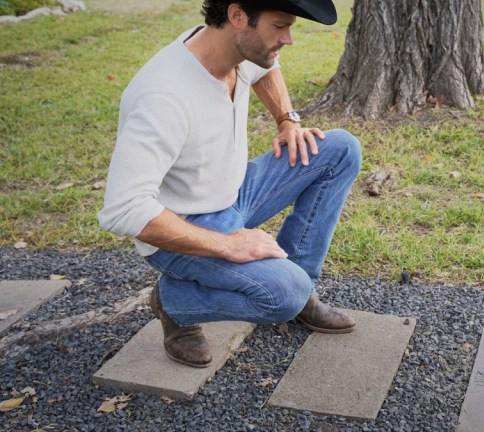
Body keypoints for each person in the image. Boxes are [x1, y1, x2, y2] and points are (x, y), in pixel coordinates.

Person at [98, 0, 361, 368]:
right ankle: (173, 304)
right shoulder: (163, 95)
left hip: (234, 192)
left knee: (340, 149)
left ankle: (302, 286)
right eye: (279, 27)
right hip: (186, 223)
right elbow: (123, 210)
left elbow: (267, 68)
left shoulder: (237, 46)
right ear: (238, 16)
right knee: (283, 294)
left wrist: (287, 120)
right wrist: (227, 245)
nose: (288, 39)